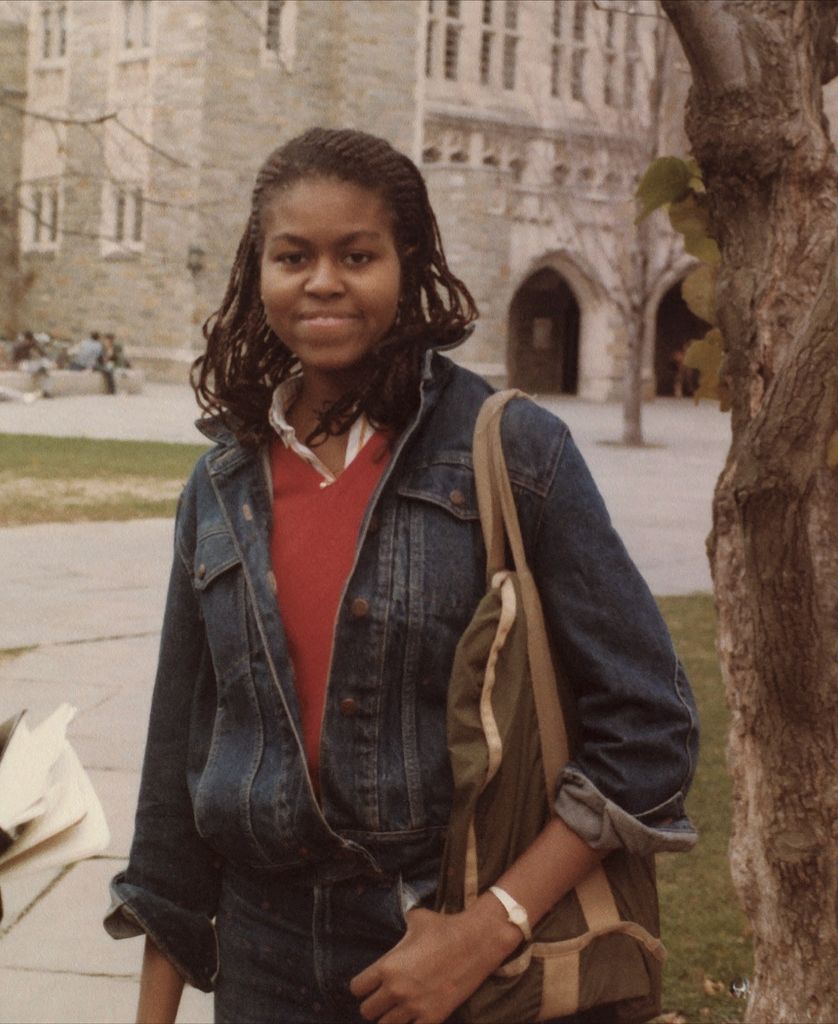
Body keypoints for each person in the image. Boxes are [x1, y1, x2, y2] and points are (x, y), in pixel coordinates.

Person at [104, 128, 698, 1024]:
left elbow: (651, 729)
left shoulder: (512, 450)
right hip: (261, 958)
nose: (323, 282)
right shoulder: (220, 485)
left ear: (409, 263)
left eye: (357, 255)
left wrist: (489, 929)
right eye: (293, 257)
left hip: (451, 949)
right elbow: (173, 779)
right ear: (256, 272)